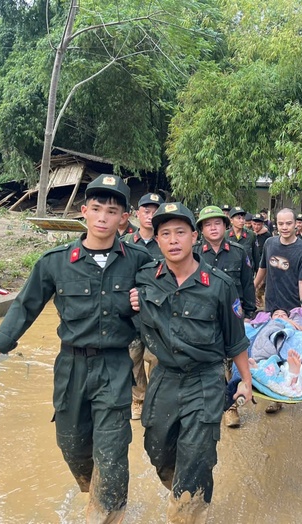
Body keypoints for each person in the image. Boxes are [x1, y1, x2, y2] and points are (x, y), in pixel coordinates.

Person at [0, 174, 152, 523]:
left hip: (115, 366)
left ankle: (107, 509)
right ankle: (94, 489)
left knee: (112, 453)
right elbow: (24, 307)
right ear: (83, 211)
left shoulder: (139, 261)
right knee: (72, 445)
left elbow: (167, 298)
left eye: (111, 211)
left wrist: (146, 303)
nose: (102, 217)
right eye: (96, 209)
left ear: (122, 219)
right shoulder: (55, 261)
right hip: (70, 367)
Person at [132, 202, 251, 522]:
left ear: (193, 236)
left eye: (180, 232)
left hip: (205, 378)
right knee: (156, 447)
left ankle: (189, 504)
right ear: (156, 239)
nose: (173, 240)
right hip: (164, 376)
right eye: (165, 233)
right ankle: (187, 487)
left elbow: (237, 339)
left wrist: (246, 382)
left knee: (197, 454)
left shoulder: (220, 285)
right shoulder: (144, 279)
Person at [224, 308, 302, 427]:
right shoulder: (263, 324)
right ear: (270, 317)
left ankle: (290, 375)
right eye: (276, 314)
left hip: (289, 346)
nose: (280, 315)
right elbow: (247, 331)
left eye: (283, 314)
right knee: (242, 354)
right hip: (265, 347)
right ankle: (232, 407)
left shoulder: (294, 325)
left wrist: (294, 325)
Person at [254, 208, 302, 413]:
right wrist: (253, 287)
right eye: (281, 224)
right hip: (271, 306)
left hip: (293, 309)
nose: (285, 227)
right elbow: (263, 268)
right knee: (270, 350)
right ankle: (274, 395)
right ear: (275, 224)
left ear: (296, 223)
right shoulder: (270, 244)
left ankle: (294, 388)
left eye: (289, 223)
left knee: (290, 352)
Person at [123, 192, 163, 420]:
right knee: (133, 358)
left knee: (158, 358)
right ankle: (138, 399)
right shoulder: (126, 243)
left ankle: (155, 401)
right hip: (132, 315)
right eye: (146, 211)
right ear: (137, 214)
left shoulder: (166, 241)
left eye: (155, 212)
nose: (150, 216)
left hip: (158, 313)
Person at [194, 205, 256, 320]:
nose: (213, 228)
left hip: (234, 314)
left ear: (225, 226)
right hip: (202, 316)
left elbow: (247, 284)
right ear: (201, 229)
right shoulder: (193, 253)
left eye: (217, 223)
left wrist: (249, 314)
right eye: (207, 224)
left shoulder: (239, 252)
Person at [227, 206, 258, 272]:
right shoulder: (225, 236)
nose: (242, 221)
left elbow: (256, 257)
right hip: (230, 273)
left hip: (247, 273)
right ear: (231, 220)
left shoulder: (251, 235)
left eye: (243, 218)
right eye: (238, 218)